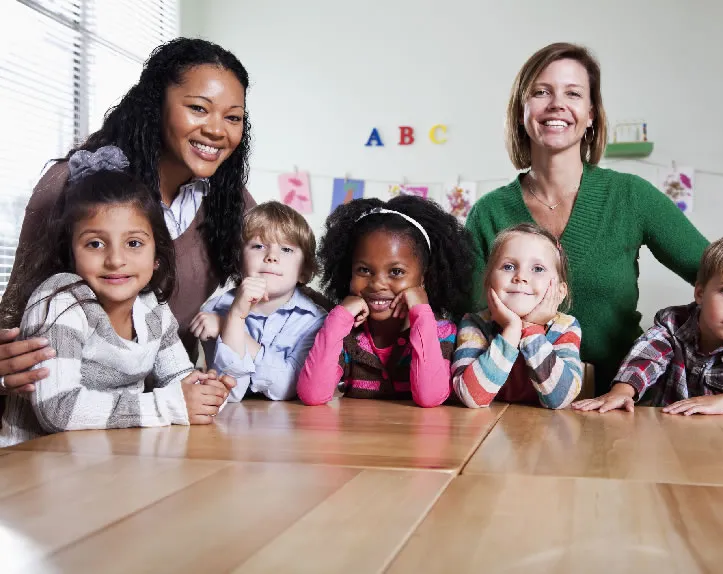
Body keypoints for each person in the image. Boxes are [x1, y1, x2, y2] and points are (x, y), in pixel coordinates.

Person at [0, 37, 254, 403]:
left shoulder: (231, 201)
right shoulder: (74, 184)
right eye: (199, 108)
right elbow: (14, 308)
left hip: (168, 411)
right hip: (64, 411)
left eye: (233, 117)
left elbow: (283, 277)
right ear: (156, 106)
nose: (218, 130)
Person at [465, 42, 709, 396]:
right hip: (511, 406)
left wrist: (680, 345)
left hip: (622, 402)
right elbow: (467, 317)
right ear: (522, 111)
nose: (557, 104)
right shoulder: (488, 212)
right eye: (541, 92)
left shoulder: (630, 196)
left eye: (573, 93)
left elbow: (720, 277)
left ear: (591, 113)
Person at [0, 147, 234, 446]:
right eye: (95, 244)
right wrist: (168, 405)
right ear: (71, 253)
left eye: (134, 243)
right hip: (35, 463)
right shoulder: (60, 300)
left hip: (105, 459)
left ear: (156, 256)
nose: (115, 259)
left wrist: (205, 392)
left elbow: (180, 380)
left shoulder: (152, 308)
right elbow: (58, 410)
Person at [572, 234, 723, 415]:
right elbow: (646, 357)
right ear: (700, 292)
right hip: (671, 440)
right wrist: (623, 391)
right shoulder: (673, 325)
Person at [297, 195, 474, 407]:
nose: (378, 284)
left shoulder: (441, 332)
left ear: (424, 278)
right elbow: (313, 394)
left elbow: (430, 397)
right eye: (364, 270)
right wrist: (339, 317)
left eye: (396, 272)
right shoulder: (346, 333)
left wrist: (421, 312)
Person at [192, 202, 327, 402]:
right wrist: (236, 315)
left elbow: (286, 387)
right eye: (258, 246)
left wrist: (227, 325)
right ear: (239, 262)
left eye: (286, 249)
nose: (272, 256)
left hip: (289, 425)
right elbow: (230, 392)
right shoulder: (215, 309)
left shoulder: (315, 320)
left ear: (304, 271)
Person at [452, 223, 583, 409]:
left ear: (560, 291)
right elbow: (471, 396)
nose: (521, 276)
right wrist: (512, 330)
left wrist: (531, 329)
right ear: (489, 282)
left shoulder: (565, 327)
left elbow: (560, 399)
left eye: (538, 269)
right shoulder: (475, 324)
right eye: (508, 266)